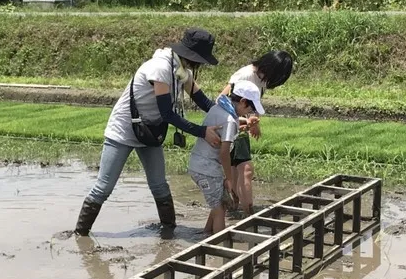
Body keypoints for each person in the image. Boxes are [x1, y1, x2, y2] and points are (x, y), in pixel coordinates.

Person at [74, 28, 222, 236]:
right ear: (189, 55)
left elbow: (204, 101)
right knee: (104, 186)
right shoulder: (161, 68)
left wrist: (229, 116)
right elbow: (168, 114)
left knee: (159, 184)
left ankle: (169, 231)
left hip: (149, 131)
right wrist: (202, 131)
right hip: (124, 130)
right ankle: (80, 234)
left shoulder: (181, 71)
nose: (199, 64)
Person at [221, 50, 293, 216]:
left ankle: (234, 208)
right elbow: (224, 99)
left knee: (235, 169)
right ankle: (249, 214)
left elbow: (250, 103)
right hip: (233, 125)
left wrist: (253, 120)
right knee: (246, 169)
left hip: (238, 125)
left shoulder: (259, 78)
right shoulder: (246, 76)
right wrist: (241, 121)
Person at [188, 81, 265, 234]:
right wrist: (229, 179)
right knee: (219, 210)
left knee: (220, 203)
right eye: (251, 108)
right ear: (243, 102)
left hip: (199, 164)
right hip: (206, 170)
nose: (250, 112)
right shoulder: (229, 120)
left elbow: (225, 130)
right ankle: (219, 248)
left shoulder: (218, 108)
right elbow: (224, 153)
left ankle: (206, 233)